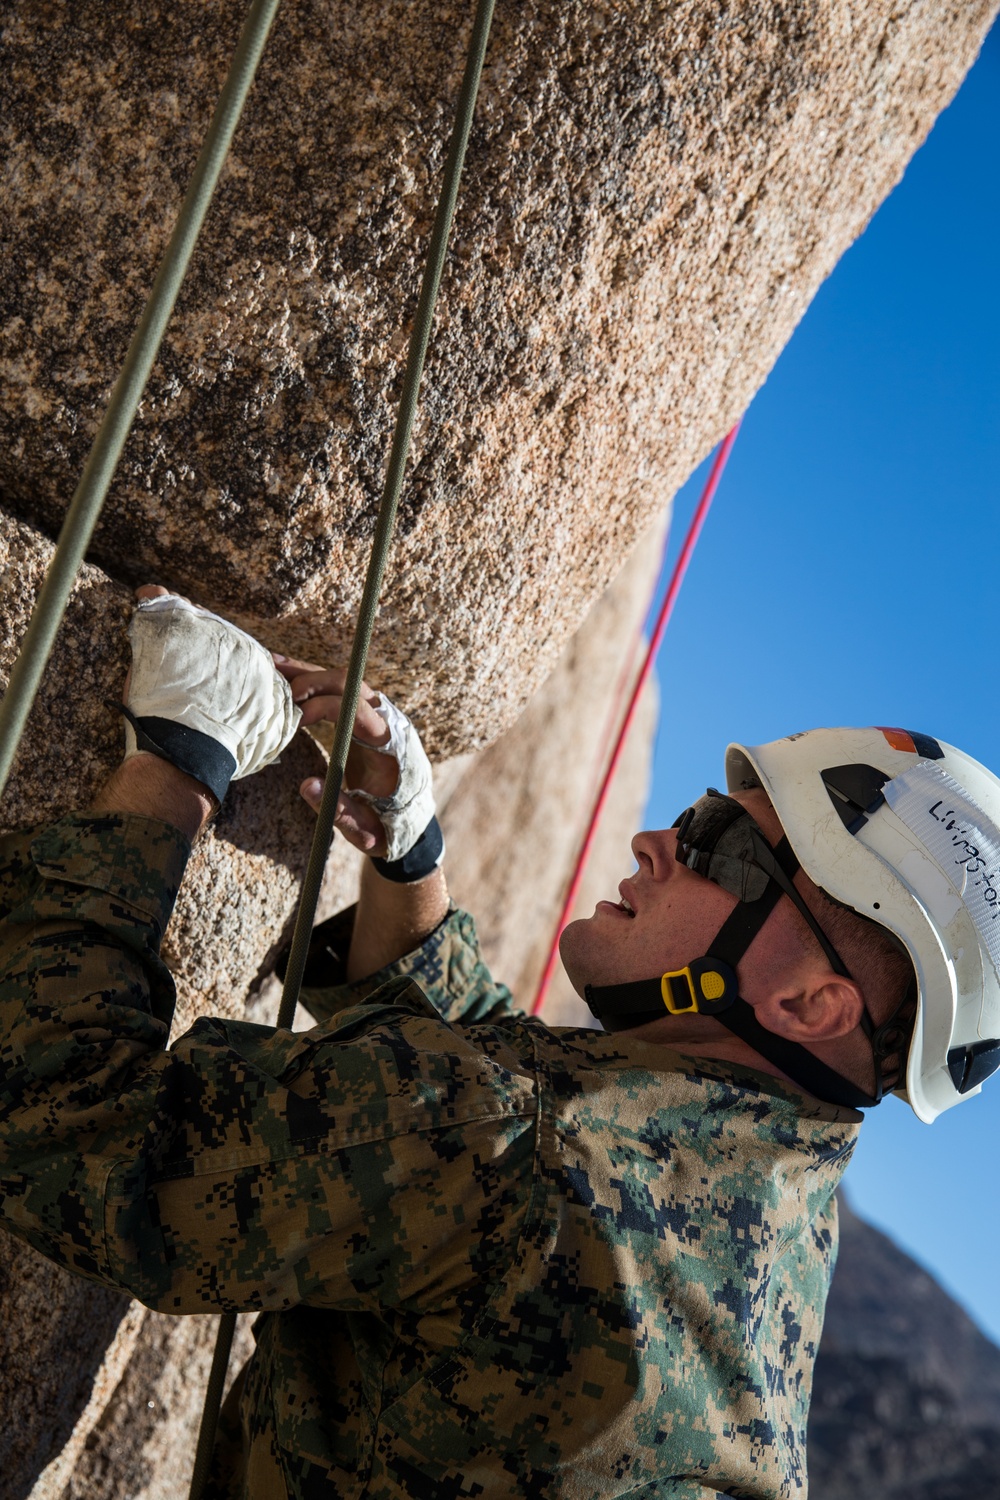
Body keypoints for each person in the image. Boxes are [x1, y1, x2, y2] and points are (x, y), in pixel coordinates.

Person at [1, 588, 998, 1500]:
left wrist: (179, 763)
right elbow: (501, 1124)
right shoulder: (774, 1223)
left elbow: (68, 1123)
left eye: (718, 848)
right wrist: (410, 854)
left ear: (812, 1005)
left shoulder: (522, 1145)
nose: (659, 840)